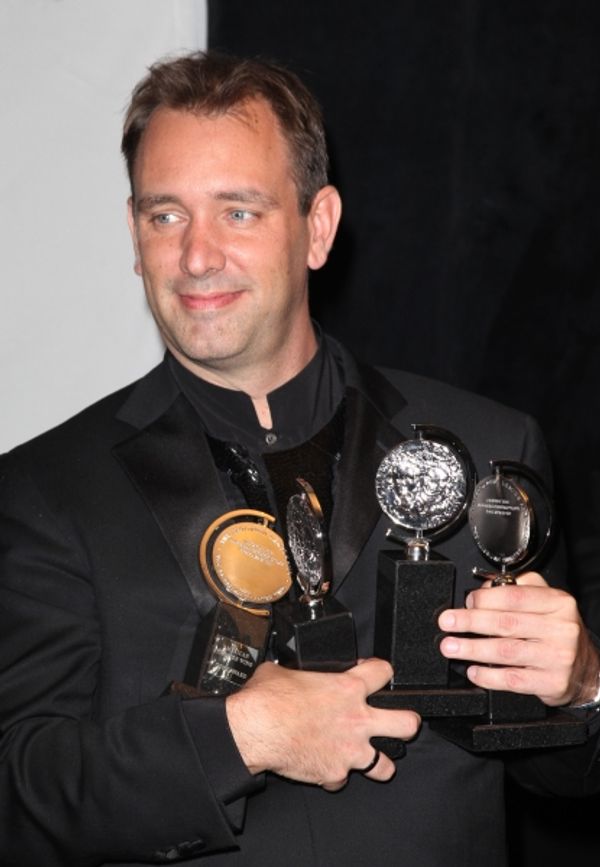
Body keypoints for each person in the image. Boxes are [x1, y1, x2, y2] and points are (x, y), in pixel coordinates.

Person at [0, 51, 599, 867]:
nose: (197, 256)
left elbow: (566, 776)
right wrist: (241, 736)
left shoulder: (493, 449)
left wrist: (586, 687)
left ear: (318, 227)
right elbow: (20, 796)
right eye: (164, 216)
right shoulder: (45, 488)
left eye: (238, 212)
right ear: (134, 235)